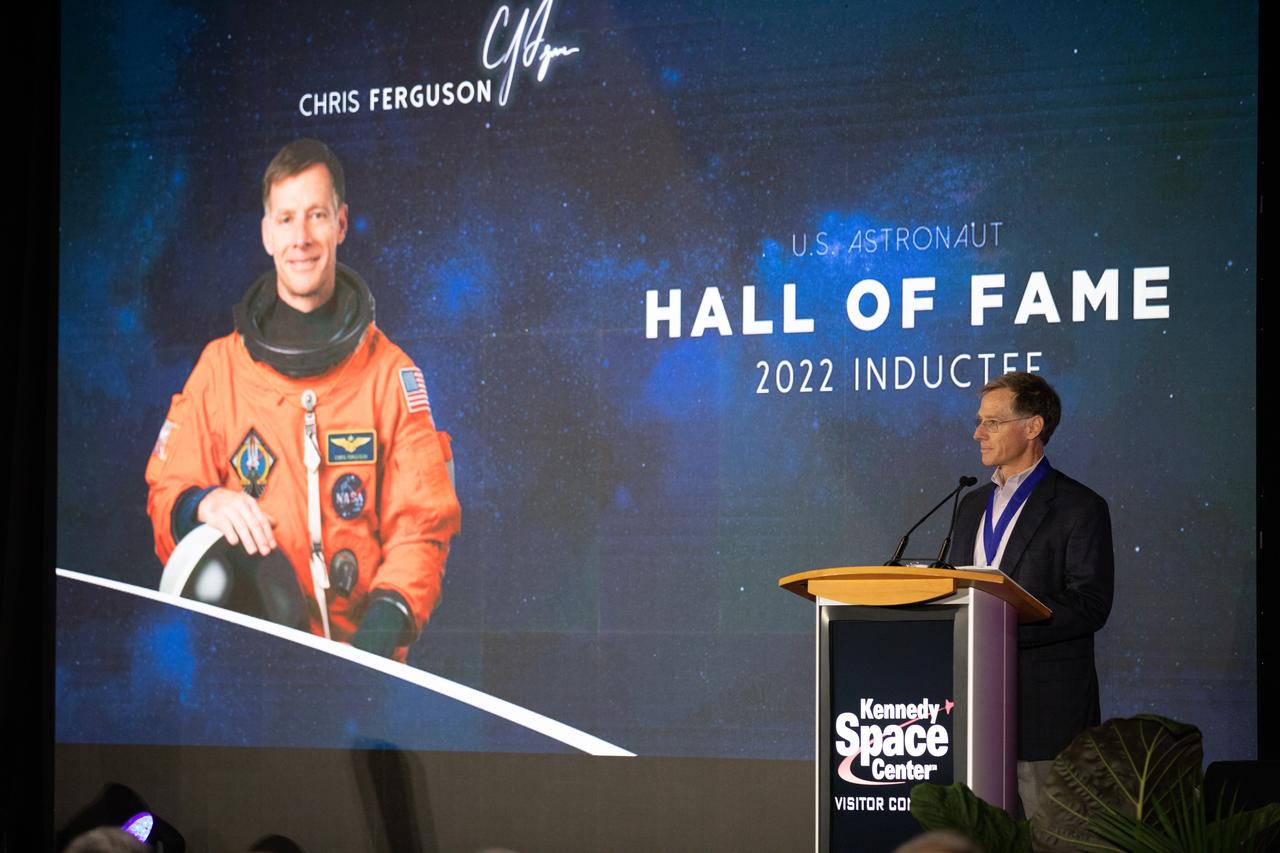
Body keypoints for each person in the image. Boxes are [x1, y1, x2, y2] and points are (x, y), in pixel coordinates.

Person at [146, 138, 461, 658]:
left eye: (316, 216)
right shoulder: (221, 370)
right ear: (267, 233)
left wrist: (369, 658)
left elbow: (422, 528)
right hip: (256, 665)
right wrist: (205, 503)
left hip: (362, 661)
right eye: (286, 218)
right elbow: (166, 496)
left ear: (340, 224)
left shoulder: (389, 375)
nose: (302, 238)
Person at [948, 371, 1113, 819]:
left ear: (1033, 427)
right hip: (972, 718)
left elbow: (1090, 605)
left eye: (993, 422)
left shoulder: (1080, 507)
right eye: (980, 421)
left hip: (1047, 720)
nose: (977, 433)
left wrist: (1000, 628)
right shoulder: (970, 505)